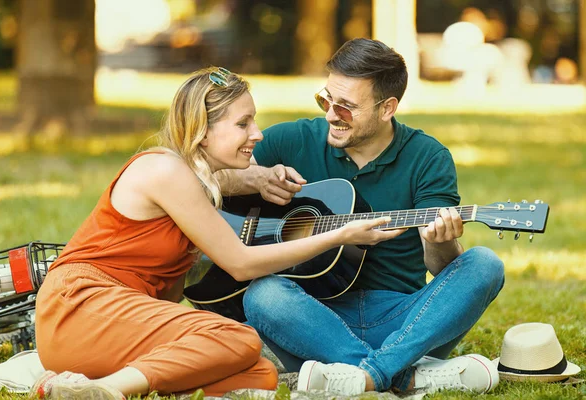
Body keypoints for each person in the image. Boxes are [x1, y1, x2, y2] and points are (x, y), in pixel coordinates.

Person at [30, 67, 404, 400]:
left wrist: (258, 180)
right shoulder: (165, 170)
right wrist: (337, 235)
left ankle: (80, 385)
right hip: (80, 308)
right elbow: (240, 265)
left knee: (261, 375)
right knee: (238, 338)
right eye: (243, 124)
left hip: (116, 324)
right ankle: (108, 391)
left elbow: (213, 192)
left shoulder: (193, 182)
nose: (257, 134)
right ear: (202, 132)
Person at [219, 38, 505, 395]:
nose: (330, 115)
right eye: (326, 99)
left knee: (484, 264)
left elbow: (440, 266)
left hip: (404, 319)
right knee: (264, 295)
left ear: (387, 108)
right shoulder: (296, 139)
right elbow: (201, 178)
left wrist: (441, 242)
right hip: (312, 319)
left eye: (347, 107)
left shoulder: (428, 157)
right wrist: (254, 177)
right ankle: (403, 375)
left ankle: (365, 374)